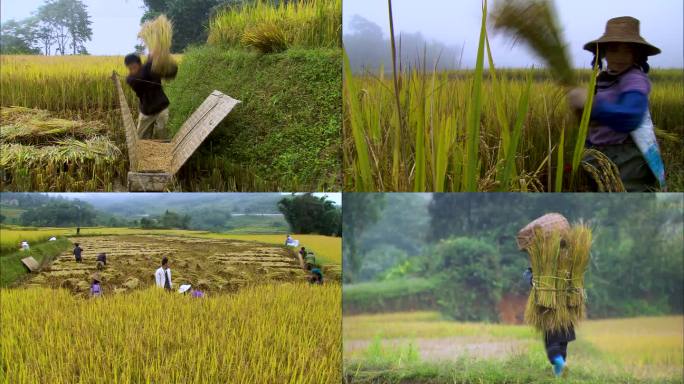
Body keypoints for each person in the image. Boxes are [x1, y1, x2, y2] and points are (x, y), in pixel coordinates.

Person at [568, 16, 665, 191]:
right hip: (598, 153)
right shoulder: (603, 79)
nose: (620, 57)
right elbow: (594, 123)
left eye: (627, 51)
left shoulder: (634, 78)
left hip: (626, 159)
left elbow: (630, 116)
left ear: (636, 54)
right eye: (613, 50)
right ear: (603, 52)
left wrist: (594, 106)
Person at [124, 53, 177, 140]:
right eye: (130, 68)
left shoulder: (152, 69)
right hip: (146, 112)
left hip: (161, 109)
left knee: (163, 136)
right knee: (141, 139)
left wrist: (164, 59)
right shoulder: (130, 79)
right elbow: (141, 77)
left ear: (139, 64)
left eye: (134, 66)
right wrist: (150, 61)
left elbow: (170, 74)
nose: (132, 70)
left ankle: (163, 152)